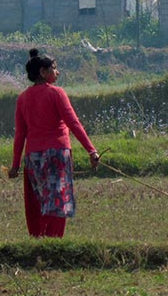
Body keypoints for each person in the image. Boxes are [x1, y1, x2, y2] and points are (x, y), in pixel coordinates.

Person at [8, 48, 100, 237]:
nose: (57, 72)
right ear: (43, 72)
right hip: (57, 155)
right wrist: (91, 151)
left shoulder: (23, 98)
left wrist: (15, 165)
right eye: (54, 68)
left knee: (38, 200)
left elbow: (20, 135)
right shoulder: (56, 93)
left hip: (33, 157)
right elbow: (73, 123)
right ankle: (54, 240)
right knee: (57, 200)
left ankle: (39, 237)